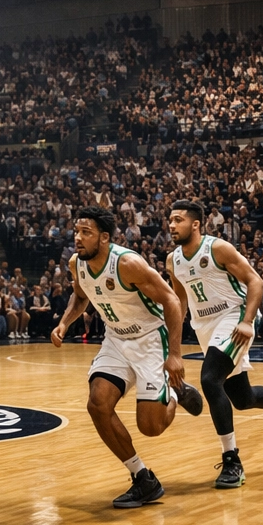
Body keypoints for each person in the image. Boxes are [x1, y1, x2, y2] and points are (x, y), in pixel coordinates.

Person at [52, 206, 202, 509]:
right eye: (76, 232)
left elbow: (171, 301)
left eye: (86, 233)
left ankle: (176, 390)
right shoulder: (76, 264)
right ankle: (142, 478)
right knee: (97, 403)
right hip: (117, 339)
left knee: (151, 427)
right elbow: (81, 296)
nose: (78, 238)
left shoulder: (128, 264)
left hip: (149, 340)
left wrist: (175, 355)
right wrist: (65, 322)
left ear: (104, 238)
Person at [166, 200, 263, 491]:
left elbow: (255, 282)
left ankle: (232, 460)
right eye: (170, 220)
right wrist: (173, 346)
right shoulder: (173, 260)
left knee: (209, 379)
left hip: (233, 320)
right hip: (205, 328)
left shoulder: (217, 248)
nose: (171, 225)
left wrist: (247, 320)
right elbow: (179, 300)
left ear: (195, 224)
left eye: (178, 220)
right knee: (242, 398)